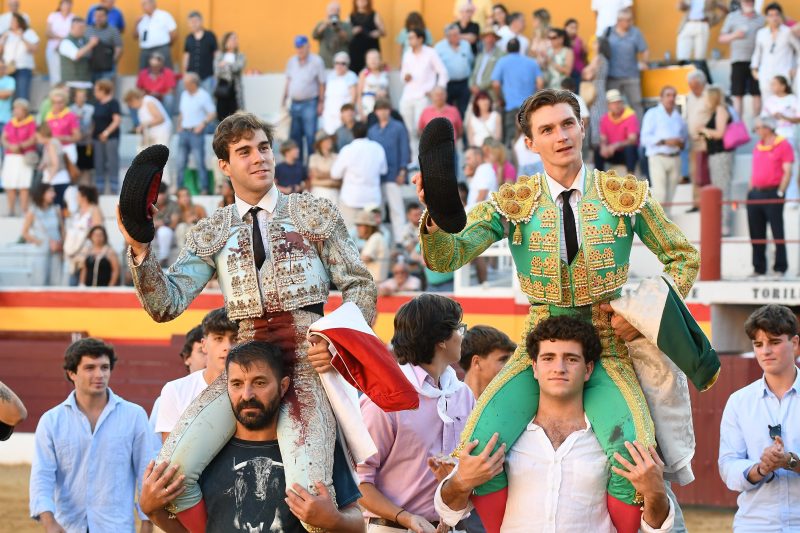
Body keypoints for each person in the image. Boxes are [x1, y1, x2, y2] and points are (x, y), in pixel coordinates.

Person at [416, 89, 701, 529]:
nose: (560, 136)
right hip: (540, 347)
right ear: (530, 143)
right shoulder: (513, 202)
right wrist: (435, 218)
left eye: (568, 124)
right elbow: (448, 256)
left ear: (583, 127)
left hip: (606, 345)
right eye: (547, 129)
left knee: (637, 456)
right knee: (475, 450)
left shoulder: (622, 193)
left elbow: (683, 256)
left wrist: (642, 314)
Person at [120, 111, 377, 530]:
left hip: (307, 364)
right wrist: (140, 251)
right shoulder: (213, 231)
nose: (260, 158)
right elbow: (166, 304)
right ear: (224, 166)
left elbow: (359, 285)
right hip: (242, 369)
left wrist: (336, 342)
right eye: (245, 151)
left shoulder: (314, 214)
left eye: (263, 147)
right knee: (168, 481)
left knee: (311, 505)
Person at [435, 316, 676, 532]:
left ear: (588, 369)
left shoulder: (611, 440)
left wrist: (655, 492)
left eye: (571, 359)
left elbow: (655, 529)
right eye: (549, 358)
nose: (559, 368)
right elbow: (448, 511)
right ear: (535, 368)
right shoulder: (504, 436)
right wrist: (461, 481)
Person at [140, 341, 365, 533]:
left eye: (259, 383)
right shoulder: (203, 454)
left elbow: (358, 522)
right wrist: (153, 511)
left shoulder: (315, 444)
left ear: (283, 386)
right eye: (237, 384)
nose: (247, 395)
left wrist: (335, 520)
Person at [357, 294, 475, 533]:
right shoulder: (385, 399)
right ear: (442, 340)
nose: (462, 336)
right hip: (394, 528)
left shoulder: (462, 394)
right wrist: (406, 518)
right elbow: (357, 484)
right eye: (459, 329)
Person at [29, 337, 154, 533]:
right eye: (90, 368)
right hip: (68, 526)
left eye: (104, 367)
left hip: (116, 527)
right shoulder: (51, 421)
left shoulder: (134, 416)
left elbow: (146, 471)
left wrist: (147, 523)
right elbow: (42, 475)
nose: (99, 374)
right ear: (72, 373)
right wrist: (49, 522)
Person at [719, 304, 800, 531]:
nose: (765, 351)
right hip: (754, 525)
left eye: (774, 342)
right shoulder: (739, 402)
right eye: (758, 344)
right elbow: (728, 466)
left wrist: (790, 461)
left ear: (794, 344)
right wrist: (761, 468)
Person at [155, 308, 237, 441]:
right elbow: (171, 455)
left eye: (235, 338)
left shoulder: (250, 392)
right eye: (218, 338)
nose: (227, 346)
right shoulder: (175, 390)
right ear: (204, 345)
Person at [747, 115, 793, 278]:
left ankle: (780, 267)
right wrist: (750, 191)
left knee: (777, 231)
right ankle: (758, 267)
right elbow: (753, 172)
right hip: (756, 194)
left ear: (768, 128)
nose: (757, 131)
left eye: (758, 128)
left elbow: (788, 171)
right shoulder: (758, 146)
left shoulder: (783, 145)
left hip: (773, 192)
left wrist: (781, 191)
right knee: (756, 233)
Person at [400, 27, 449, 161]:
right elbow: (402, 74)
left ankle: (424, 160)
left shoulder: (431, 53)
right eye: (408, 38)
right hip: (408, 96)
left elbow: (443, 72)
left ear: (420, 39)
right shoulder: (407, 54)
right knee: (409, 131)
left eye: (412, 37)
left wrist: (437, 90)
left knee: (421, 130)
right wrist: (405, 77)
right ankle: (415, 161)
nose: (409, 40)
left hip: (423, 97)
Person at [368, 97, 410, 244]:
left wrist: (403, 171)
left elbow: (405, 150)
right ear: (375, 112)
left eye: (385, 109)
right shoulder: (372, 131)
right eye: (379, 109)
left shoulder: (398, 127)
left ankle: (401, 241)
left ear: (389, 110)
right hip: (377, 177)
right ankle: (378, 240)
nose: (382, 112)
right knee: (377, 211)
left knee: (397, 209)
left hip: (394, 175)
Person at [330, 120, 387, 228]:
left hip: (351, 198)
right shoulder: (377, 148)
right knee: (373, 234)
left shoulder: (347, 150)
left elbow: (335, 174)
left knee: (350, 235)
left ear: (352, 133)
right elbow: (383, 170)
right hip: (372, 198)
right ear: (367, 132)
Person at [640, 86, 688, 208]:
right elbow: (644, 139)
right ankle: (657, 224)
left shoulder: (678, 117)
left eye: (673, 96)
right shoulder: (652, 114)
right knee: (660, 193)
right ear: (661, 98)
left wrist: (679, 143)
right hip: (658, 157)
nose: (671, 98)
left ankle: (665, 223)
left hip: (675, 157)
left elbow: (684, 139)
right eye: (668, 95)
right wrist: (665, 142)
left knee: (670, 195)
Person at [491, 38, 544, 146]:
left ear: (507, 49)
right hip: (528, 106)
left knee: (511, 138)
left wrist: (500, 98)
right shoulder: (531, 62)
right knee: (530, 137)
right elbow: (540, 83)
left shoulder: (502, 61)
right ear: (520, 48)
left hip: (510, 106)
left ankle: (511, 162)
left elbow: (495, 84)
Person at [284, 35, 326, 162]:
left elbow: (322, 83)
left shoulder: (317, 61)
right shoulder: (291, 61)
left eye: (302, 47)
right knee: (295, 137)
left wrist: (321, 103)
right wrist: (284, 100)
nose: (299, 50)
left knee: (310, 136)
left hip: (310, 103)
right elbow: (288, 81)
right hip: (294, 104)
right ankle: (298, 167)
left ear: (308, 46)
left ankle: (312, 165)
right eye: (297, 47)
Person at [699, 86, 734, 235]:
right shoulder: (716, 111)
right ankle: (721, 224)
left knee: (722, 189)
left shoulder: (721, 110)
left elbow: (720, 133)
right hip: (715, 154)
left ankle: (724, 225)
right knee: (718, 187)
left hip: (721, 154)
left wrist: (704, 130)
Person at [719, 0, 763, 117]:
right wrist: (734, 35)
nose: (748, 2)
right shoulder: (732, 17)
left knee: (757, 93)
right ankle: (739, 126)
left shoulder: (761, 18)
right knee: (738, 94)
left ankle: (758, 124)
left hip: (757, 62)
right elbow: (721, 38)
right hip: (738, 60)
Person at [750, 3, 800, 100]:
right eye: (771, 15)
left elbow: (798, 49)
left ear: (780, 16)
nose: (774, 18)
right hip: (766, 74)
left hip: (784, 73)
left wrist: (796, 67)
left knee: (785, 102)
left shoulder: (787, 32)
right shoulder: (761, 33)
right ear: (766, 17)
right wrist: (754, 69)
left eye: (776, 15)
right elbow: (757, 52)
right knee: (768, 103)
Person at [176, 72, 216, 194]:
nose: (184, 86)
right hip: (184, 131)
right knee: (180, 162)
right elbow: (182, 112)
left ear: (193, 83)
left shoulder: (203, 95)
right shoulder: (184, 94)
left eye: (187, 83)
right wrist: (179, 125)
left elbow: (212, 113)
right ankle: (179, 187)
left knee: (200, 161)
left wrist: (202, 124)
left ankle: (204, 188)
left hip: (196, 133)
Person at [606, 8, 648, 119]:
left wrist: (644, 62)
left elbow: (644, 50)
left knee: (636, 104)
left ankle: (639, 132)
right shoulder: (608, 32)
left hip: (631, 76)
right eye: (627, 20)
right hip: (613, 76)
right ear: (619, 21)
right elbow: (600, 51)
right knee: (612, 105)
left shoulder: (635, 32)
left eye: (630, 20)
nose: (630, 22)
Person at [22, 183, 63, 286]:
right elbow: (24, 232)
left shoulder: (56, 209)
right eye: (50, 191)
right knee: (40, 279)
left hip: (56, 249)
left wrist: (60, 243)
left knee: (56, 280)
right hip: (41, 250)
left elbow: (62, 229)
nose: (53, 194)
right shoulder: (33, 210)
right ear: (42, 193)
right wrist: (39, 241)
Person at [63, 184, 103, 285]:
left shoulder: (94, 209)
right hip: (74, 251)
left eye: (77, 195)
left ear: (84, 197)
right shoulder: (77, 211)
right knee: (72, 281)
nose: (76, 198)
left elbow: (98, 229)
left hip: (87, 251)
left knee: (83, 281)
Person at [460, 325, 515, 399]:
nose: (510, 366)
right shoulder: (447, 403)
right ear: (477, 362)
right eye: (503, 359)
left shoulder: (510, 403)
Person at [1, 97, 35, 216]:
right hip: (11, 156)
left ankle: (24, 210)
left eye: (18, 109)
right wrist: (10, 146)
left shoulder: (31, 123)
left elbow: (33, 138)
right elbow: (4, 137)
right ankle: (11, 210)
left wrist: (20, 146)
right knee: (10, 184)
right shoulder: (11, 122)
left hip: (24, 156)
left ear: (25, 110)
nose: (15, 111)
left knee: (23, 184)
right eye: (14, 108)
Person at [435, 23, 474, 120]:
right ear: (447, 36)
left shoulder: (466, 45)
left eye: (457, 34)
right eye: (452, 35)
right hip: (448, 83)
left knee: (464, 109)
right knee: (447, 110)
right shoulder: (439, 47)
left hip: (464, 83)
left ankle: (462, 131)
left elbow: (471, 61)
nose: (456, 37)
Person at [597, 88, 639, 173]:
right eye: (614, 103)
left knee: (630, 148)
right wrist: (603, 146)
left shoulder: (630, 116)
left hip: (626, 153)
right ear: (608, 105)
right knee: (597, 149)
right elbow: (603, 138)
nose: (617, 105)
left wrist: (616, 145)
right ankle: (598, 179)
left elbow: (632, 140)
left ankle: (630, 176)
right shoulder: (605, 118)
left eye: (619, 102)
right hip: (612, 152)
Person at [92, 78, 121, 194]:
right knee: (99, 161)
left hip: (111, 137)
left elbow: (117, 120)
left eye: (97, 90)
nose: (95, 92)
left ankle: (114, 186)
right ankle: (100, 186)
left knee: (112, 161)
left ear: (104, 90)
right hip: (97, 138)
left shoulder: (113, 103)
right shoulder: (96, 104)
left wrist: (106, 133)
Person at [0, 13, 38, 101]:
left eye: (14, 21)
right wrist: (3, 40)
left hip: (23, 67)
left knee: (22, 94)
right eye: (11, 21)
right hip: (8, 68)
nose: (12, 23)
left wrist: (22, 37)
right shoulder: (6, 34)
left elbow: (34, 49)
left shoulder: (29, 32)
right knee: (8, 95)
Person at [125, 88, 172, 153]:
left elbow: (160, 118)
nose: (132, 107)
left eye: (131, 105)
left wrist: (144, 125)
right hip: (153, 134)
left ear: (134, 100)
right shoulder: (139, 110)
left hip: (162, 132)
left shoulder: (148, 101)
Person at [36, 123, 72, 210]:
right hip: (56, 179)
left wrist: (49, 180)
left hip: (57, 180)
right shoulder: (49, 144)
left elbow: (55, 164)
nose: (36, 139)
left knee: (57, 207)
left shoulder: (52, 144)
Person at [323, 51, 358, 134]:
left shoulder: (351, 76)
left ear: (347, 64)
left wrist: (348, 113)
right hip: (329, 115)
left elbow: (353, 97)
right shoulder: (330, 75)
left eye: (343, 63)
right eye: (337, 63)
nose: (339, 66)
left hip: (342, 115)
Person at [584, 36, 610, 152]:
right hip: (600, 87)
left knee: (595, 116)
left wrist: (586, 70)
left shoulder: (598, 58)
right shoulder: (604, 58)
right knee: (599, 115)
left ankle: (596, 143)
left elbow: (587, 75)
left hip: (595, 88)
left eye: (595, 43)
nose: (593, 45)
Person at [214, 31, 246, 122]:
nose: (235, 41)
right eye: (232, 38)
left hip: (235, 91)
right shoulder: (219, 55)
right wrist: (229, 67)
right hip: (222, 90)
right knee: (221, 118)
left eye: (236, 39)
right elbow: (217, 71)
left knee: (236, 118)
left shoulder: (240, 56)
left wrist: (226, 64)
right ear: (226, 41)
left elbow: (237, 67)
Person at [182, 11, 216, 94]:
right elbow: (186, 56)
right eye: (191, 22)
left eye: (196, 21)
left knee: (207, 98)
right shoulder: (188, 38)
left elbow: (216, 54)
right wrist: (185, 73)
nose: (194, 24)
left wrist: (216, 73)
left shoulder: (210, 35)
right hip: (191, 76)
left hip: (207, 75)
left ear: (201, 21)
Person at [135, 0, 176, 69]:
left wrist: (166, 46)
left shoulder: (164, 15)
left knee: (166, 71)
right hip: (145, 50)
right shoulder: (142, 18)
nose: (143, 7)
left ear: (153, 4)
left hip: (162, 48)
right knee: (144, 72)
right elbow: (135, 36)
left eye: (145, 4)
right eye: (142, 5)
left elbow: (173, 33)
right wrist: (136, 24)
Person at [86, 5, 123, 82]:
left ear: (106, 17)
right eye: (96, 16)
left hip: (107, 69)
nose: (98, 18)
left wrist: (112, 61)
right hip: (91, 68)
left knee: (105, 90)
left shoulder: (113, 30)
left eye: (101, 16)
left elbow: (119, 47)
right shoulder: (87, 30)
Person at [57, 17, 96, 90]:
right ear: (72, 28)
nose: (83, 30)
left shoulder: (85, 40)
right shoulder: (66, 42)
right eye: (80, 27)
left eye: (84, 27)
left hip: (86, 81)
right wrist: (90, 45)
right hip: (72, 82)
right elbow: (76, 55)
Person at [312, 1, 353, 69]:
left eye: (336, 10)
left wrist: (338, 29)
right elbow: (314, 35)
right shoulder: (322, 24)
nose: (333, 12)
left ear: (339, 12)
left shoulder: (345, 25)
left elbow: (349, 38)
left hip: (341, 64)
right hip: (325, 62)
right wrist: (325, 25)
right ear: (327, 12)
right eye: (331, 10)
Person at [45, 87, 80, 165]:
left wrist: (63, 138)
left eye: (60, 102)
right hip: (52, 149)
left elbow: (77, 136)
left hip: (66, 149)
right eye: (54, 102)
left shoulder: (70, 116)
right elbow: (44, 136)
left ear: (65, 102)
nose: (57, 105)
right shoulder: (49, 116)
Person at [348, 0, 385, 75]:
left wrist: (377, 32)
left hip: (370, 48)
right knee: (355, 73)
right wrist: (353, 31)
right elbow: (346, 32)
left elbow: (383, 31)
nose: (361, 1)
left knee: (371, 72)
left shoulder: (374, 15)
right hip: (355, 51)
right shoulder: (351, 16)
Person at [355, 209, 389, 283]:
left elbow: (364, 259)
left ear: (368, 227)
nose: (357, 228)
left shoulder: (375, 237)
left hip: (374, 286)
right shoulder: (375, 237)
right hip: (372, 284)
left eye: (360, 225)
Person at [46, 0, 74, 85]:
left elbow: (74, 34)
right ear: (60, 5)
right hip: (53, 48)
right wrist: (62, 38)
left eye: (69, 4)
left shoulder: (73, 18)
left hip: (68, 50)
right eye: (64, 4)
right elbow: (48, 33)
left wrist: (63, 41)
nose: (66, 6)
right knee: (55, 74)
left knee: (68, 74)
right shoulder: (53, 16)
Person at [469, 28, 503, 98]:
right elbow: (474, 73)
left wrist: (479, 87)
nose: (489, 40)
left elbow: (497, 76)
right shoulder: (480, 55)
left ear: (495, 39)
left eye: (492, 37)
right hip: (475, 94)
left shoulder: (501, 55)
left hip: (490, 94)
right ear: (483, 39)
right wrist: (471, 85)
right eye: (487, 37)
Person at [309, 130, 340, 204]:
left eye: (330, 140)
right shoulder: (314, 157)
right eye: (326, 140)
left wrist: (321, 176)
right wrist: (331, 180)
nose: (330, 142)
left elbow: (339, 178)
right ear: (320, 143)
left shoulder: (337, 157)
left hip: (334, 194)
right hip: (319, 194)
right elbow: (315, 175)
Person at [356, 49, 389, 120]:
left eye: (375, 58)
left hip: (382, 106)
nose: (373, 61)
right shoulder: (364, 73)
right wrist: (361, 112)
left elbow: (387, 93)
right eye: (370, 58)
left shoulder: (384, 74)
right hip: (368, 106)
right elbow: (358, 95)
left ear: (380, 60)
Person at [71, 87, 94, 181]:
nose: (80, 99)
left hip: (87, 141)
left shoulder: (91, 109)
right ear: (74, 98)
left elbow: (93, 124)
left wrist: (88, 134)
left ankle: (86, 186)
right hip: (74, 142)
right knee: (75, 165)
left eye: (83, 96)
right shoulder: (70, 109)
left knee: (87, 166)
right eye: (78, 96)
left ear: (86, 98)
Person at [464, 146, 498, 210]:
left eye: (468, 158)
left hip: (480, 215)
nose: (467, 162)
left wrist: (473, 215)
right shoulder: (482, 169)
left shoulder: (483, 169)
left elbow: (482, 195)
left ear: (478, 157)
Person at [566, 18, 587, 84]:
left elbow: (583, 55)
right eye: (571, 27)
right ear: (566, 27)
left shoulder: (579, 40)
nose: (574, 30)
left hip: (577, 70)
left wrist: (584, 49)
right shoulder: (561, 39)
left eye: (575, 28)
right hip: (564, 70)